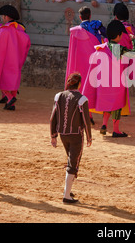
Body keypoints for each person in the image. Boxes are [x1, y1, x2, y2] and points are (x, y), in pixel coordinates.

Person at [82, 20, 135, 138]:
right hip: (117, 83)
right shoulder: (119, 48)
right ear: (118, 36)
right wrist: (133, 39)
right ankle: (116, 130)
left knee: (107, 104)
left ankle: (104, 125)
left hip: (104, 82)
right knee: (117, 106)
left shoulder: (103, 47)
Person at [50, 72, 92, 204]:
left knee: (71, 160)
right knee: (73, 163)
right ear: (79, 84)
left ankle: (68, 190)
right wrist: (89, 137)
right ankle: (66, 195)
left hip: (63, 135)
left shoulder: (59, 96)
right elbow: (86, 121)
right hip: (76, 136)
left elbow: (53, 117)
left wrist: (53, 135)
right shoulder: (82, 99)